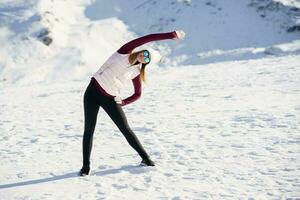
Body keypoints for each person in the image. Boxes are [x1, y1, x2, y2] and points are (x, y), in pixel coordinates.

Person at [79, 30, 186, 176]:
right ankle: (86, 167)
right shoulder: (125, 52)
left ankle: (146, 159)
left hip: (110, 99)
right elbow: (148, 37)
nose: (144, 57)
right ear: (142, 51)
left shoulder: (136, 72)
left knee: (126, 130)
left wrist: (123, 102)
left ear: (147, 63)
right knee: (89, 131)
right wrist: (170, 35)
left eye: (147, 59)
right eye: (145, 53)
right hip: (92, 92)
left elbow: (138, 94)